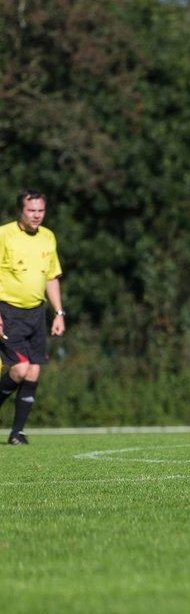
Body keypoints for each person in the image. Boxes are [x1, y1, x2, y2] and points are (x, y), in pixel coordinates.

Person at [0, 189, 67, 445]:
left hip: (36, 313)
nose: (37, 215)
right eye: (32, 210)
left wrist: (59, 313)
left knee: (33, 372)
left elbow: (52, 277)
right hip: (8, 311)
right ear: (21, 210)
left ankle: (17, 433)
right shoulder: (4, 235)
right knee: (19, 369)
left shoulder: (48, 237)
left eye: (41, 210)